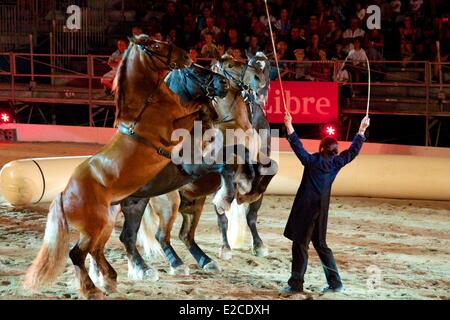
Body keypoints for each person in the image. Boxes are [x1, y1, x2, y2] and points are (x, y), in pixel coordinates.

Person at [280, 111, 370, 295]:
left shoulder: (312, 161)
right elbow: (352, 152)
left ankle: (296, 284)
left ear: (321, 148)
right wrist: (361, 130)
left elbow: (298, 147)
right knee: (320, 245)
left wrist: (289, 125)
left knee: (300, 245)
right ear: (335, 150)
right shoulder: (337, 163)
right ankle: (335, 283)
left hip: (306, 210)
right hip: (321, 211)